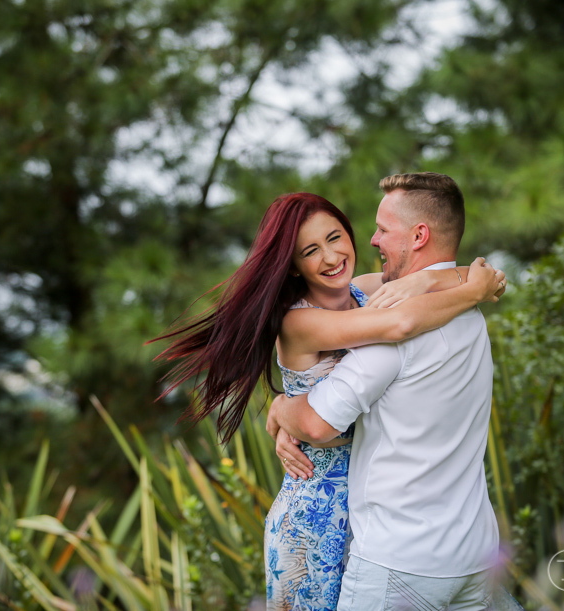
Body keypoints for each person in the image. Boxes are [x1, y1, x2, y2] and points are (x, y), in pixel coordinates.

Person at [152, 191, 505, 610]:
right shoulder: (301, 321)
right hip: (314, 515)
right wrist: (471, 293)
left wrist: (425, 280)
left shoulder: (360, 291)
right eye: (310, 251)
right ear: (295, 266)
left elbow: (453, 270)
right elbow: (400, 323)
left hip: (368, 516)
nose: (331, 257)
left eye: (335, 237)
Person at [268, 172, 509, 610]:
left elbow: (316, 421)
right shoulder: (461, 316)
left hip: (399, 554)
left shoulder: (376, 305)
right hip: (339, 521)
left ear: (419, 235)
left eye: (381, 229)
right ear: (294, 264)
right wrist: (282, 405)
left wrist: (283, 408)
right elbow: (411, 315)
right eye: (310, 250)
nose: (373, 239)